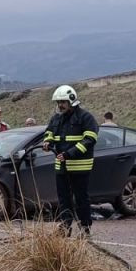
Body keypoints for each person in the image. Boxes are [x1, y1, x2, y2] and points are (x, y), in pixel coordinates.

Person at [43, 84, 99, 236]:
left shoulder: (86, 118)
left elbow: (89, 139)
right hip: (61, 165)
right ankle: (65, 226)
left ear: (72, 101)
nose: (60, 105)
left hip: (80, 166)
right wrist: (48, 142)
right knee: (63, 199)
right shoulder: (56, 118)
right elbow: (49, 132)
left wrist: (69, 153)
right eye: (58, 102)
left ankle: (85, 228)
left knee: (81, 198)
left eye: (63, 102)